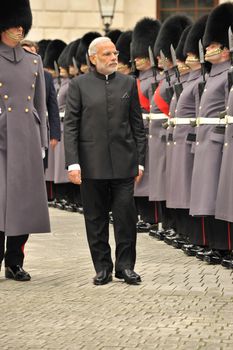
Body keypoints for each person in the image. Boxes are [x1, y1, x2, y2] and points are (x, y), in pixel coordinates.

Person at [64, 37, 146, 285]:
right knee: (96, 219)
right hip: (91, 164)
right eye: (107, 54)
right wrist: (73, 163)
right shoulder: (78, 85)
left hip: (124, 163)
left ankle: (125, 267)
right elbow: (71, 127)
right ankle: (102, 268)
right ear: (93, 58)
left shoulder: (129, 83)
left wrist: (140, 161)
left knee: (125, 217)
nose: (113, 58)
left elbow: (137, 126)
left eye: (115, 53)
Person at [0, 0, 50, 281]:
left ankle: (14, 261)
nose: (20, 28)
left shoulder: (34, 61)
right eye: (14, 24)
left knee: (23, 203)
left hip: (27, 139)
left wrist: (41, 142)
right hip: (1, 139)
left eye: (22, 24)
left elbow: (40, 105)